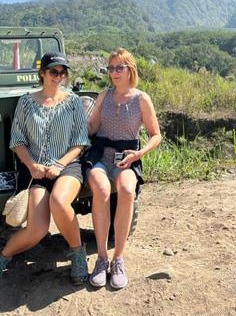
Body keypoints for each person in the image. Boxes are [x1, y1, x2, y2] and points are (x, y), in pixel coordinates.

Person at [0, 52, 91, 290]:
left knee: (60, 202)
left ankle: (77, 254)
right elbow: (17, 140)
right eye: (54, 72)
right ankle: (1, 258)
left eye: (63, 72)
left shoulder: (72, 101)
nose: (59, 77)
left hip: (67, 165)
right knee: (37, 229)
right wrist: (31, 165)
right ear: (42, 73)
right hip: (36, 169)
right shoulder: (26, 102)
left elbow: (80, 141)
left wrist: (60, 164)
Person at [85, 48, 161, 289]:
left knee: (127, 191)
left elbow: (155, 134)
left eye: (120, 68)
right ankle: (101, 259)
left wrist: (139, 153)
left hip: (127, 157)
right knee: (101, 188)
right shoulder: (104, 95)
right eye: (111, 68)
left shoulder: (141, 98)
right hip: (101, 154)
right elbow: (92, 127)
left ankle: (118, 258)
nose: (114, 72)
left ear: (130, 70)